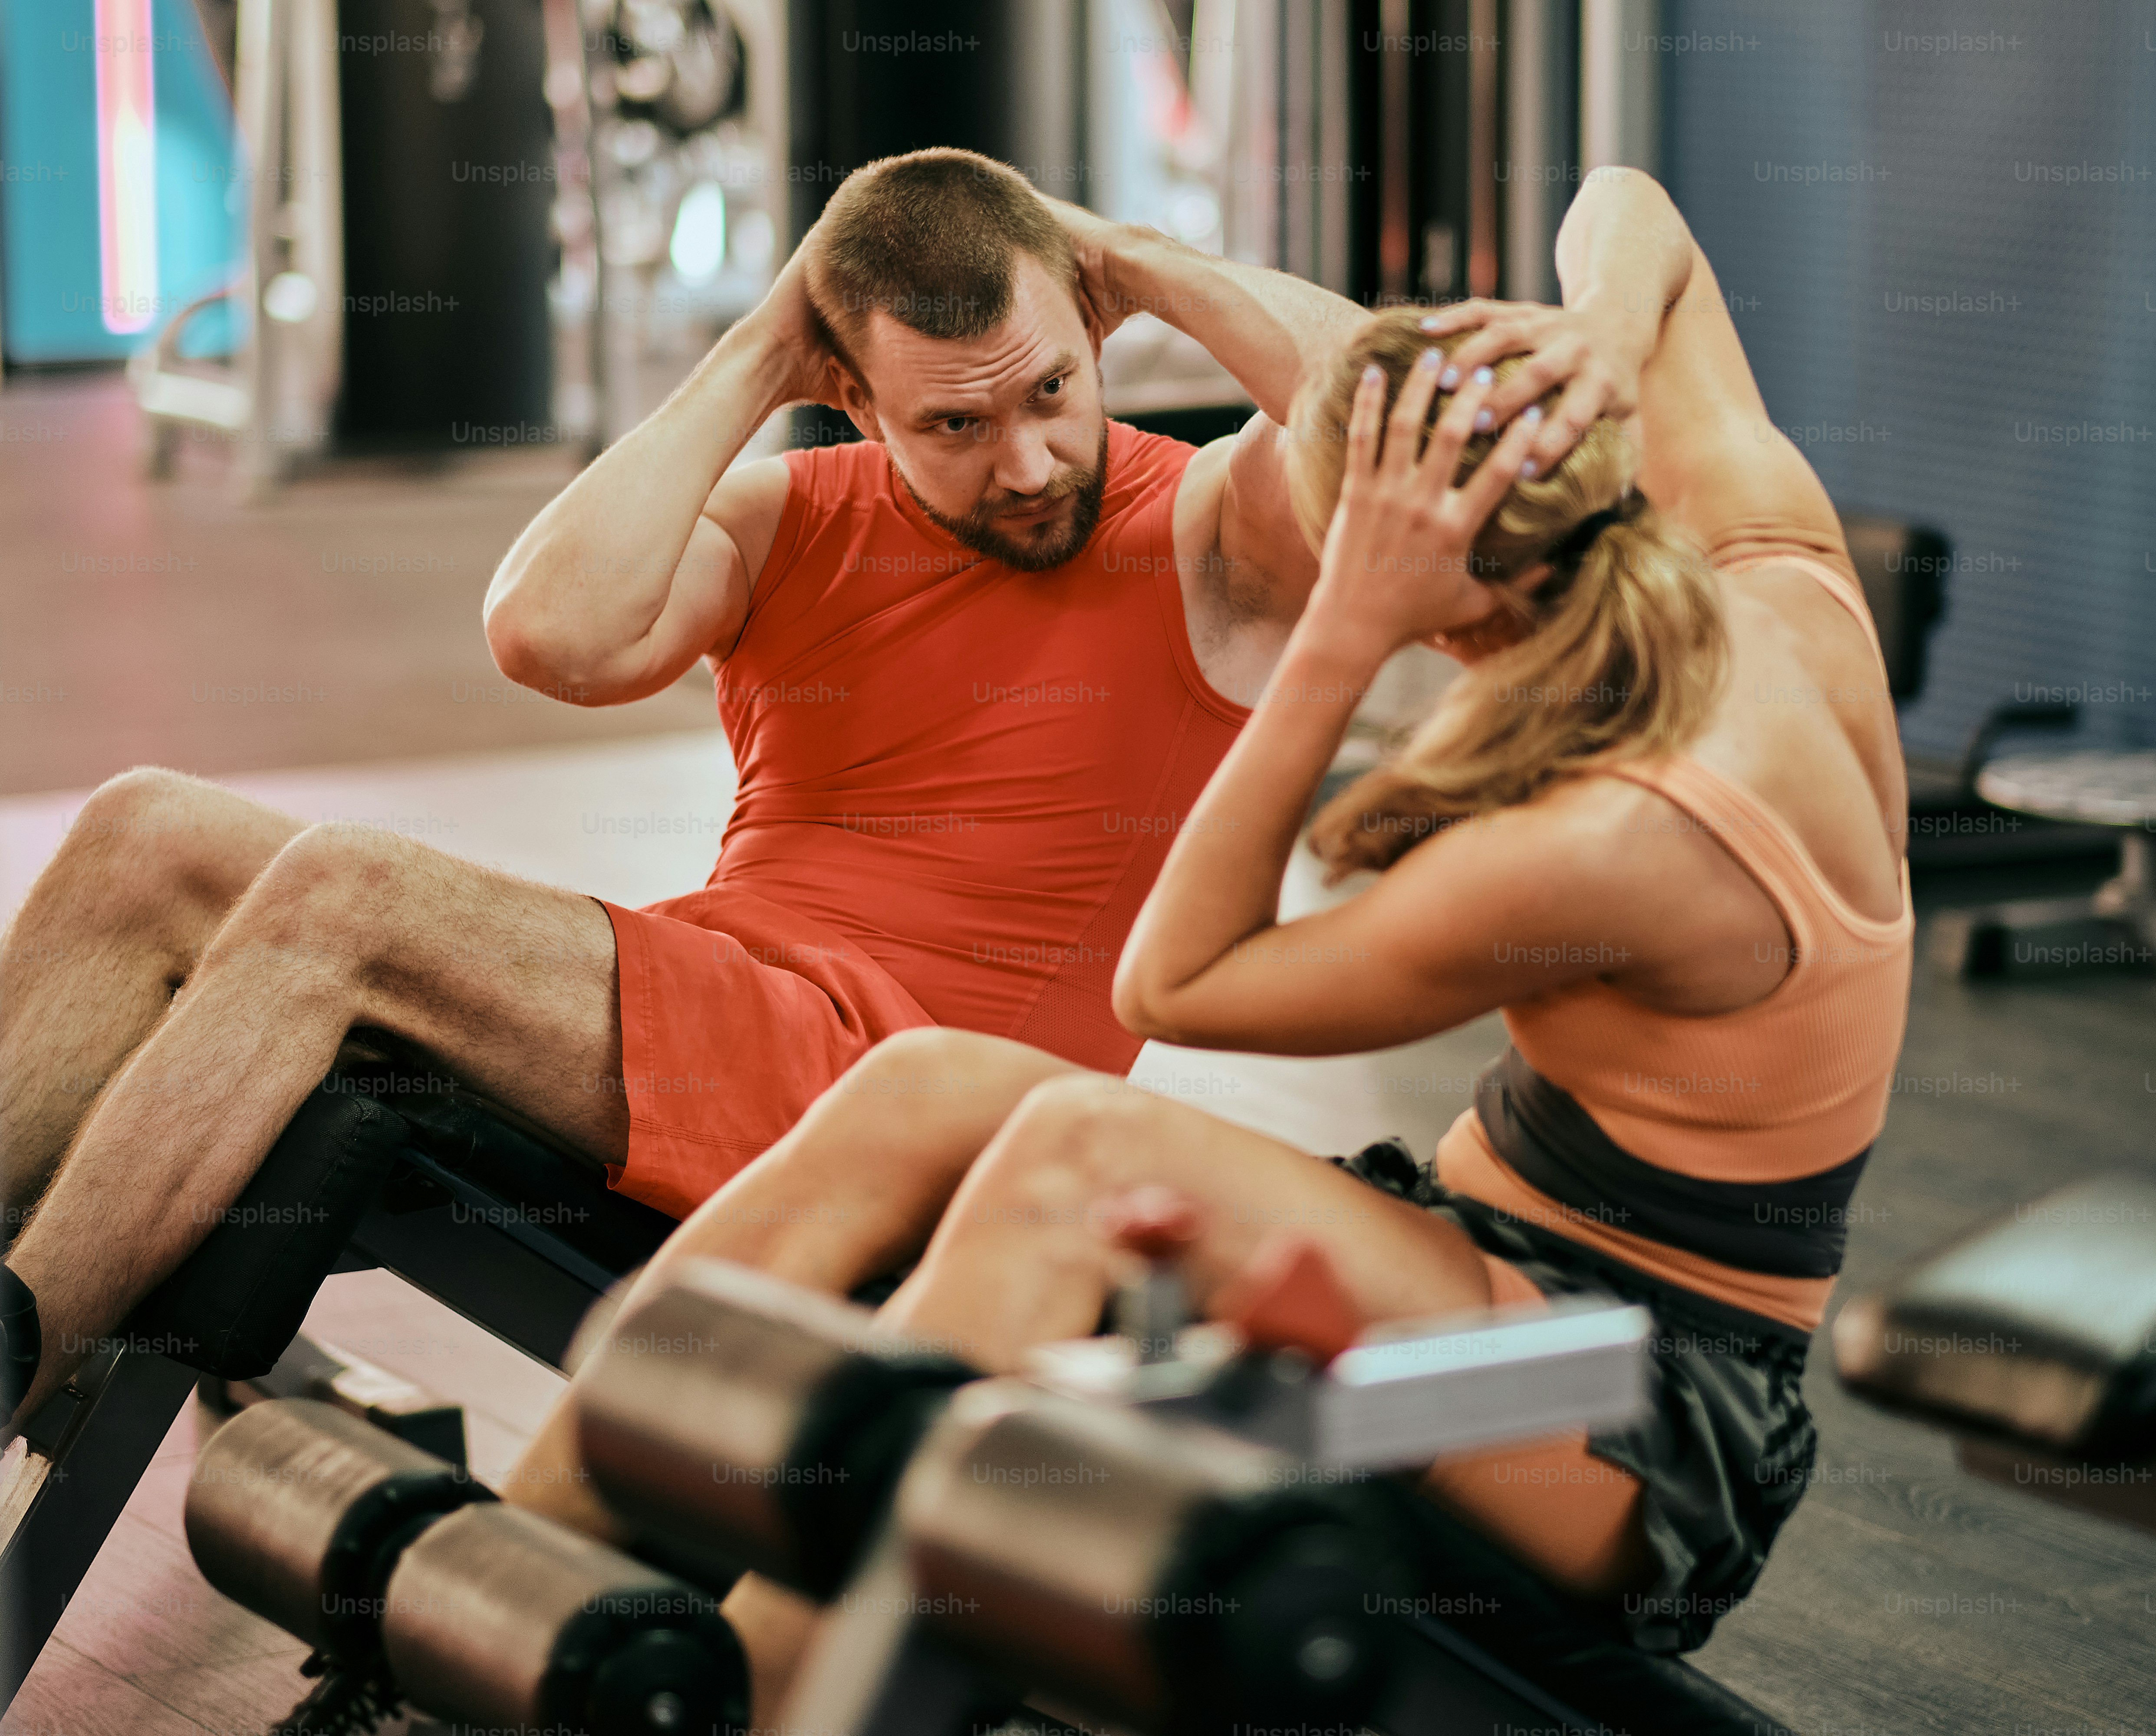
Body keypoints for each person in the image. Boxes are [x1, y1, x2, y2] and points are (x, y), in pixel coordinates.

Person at [501, 166, 1912, 1698]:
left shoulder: (1614, 846)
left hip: (1628, 1419)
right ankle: (524, 1609)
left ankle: (763, 1700)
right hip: (1462, 1268)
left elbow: (1173, 981)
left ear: (1447, 603)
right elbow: (1628, 207)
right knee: (920, 1088)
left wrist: (1342, 639)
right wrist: (1598, 331)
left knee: (1075, 1163)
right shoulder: (1771, 568)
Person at [0, 148, 1497, 1425]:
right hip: (722, 1007)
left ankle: (16, 1352)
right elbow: (553, 634)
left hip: (916, 1095)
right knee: (144, 831)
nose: (1033, 461)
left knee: (345, 895)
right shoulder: (795, 519)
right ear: (852, 396)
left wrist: (1145, 260)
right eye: (956, 425)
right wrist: (761, 348)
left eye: (1053, 389)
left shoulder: (1210, 538)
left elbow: (1423, 418)